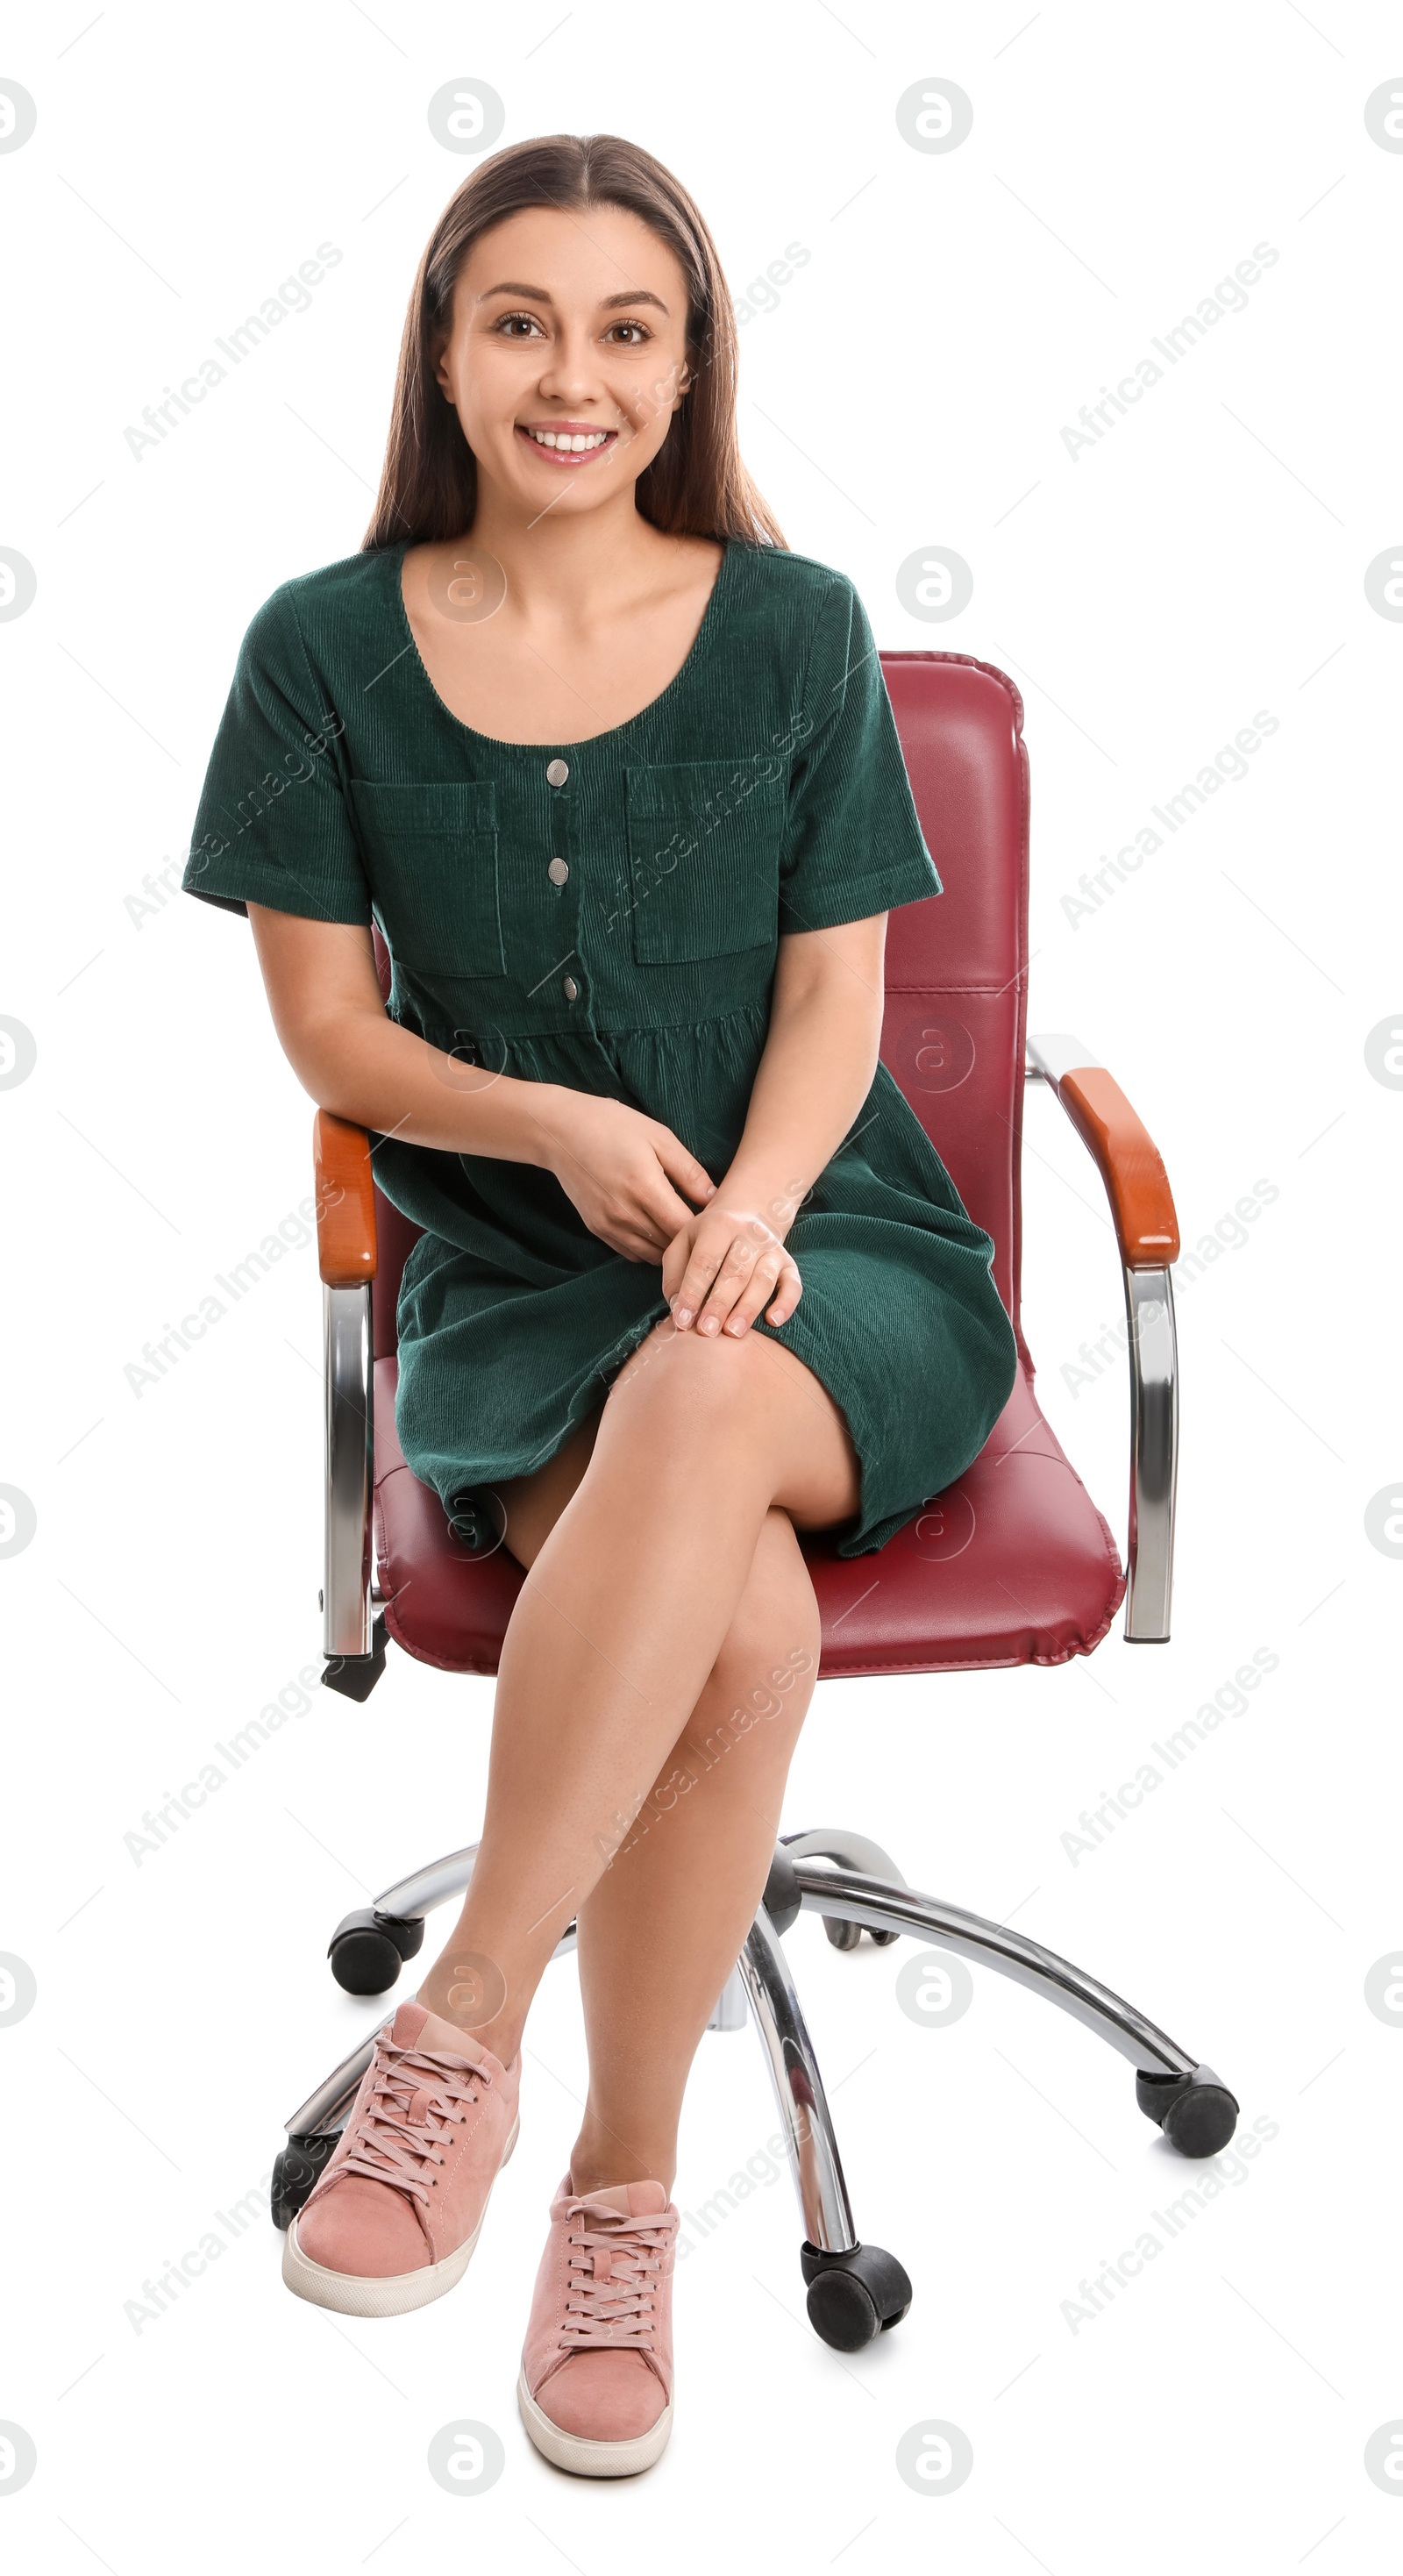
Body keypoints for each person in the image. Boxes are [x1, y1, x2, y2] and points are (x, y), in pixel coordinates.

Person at [184, 131, 1017, 2480]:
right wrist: (547, 1128)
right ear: (449, 351)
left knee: (718, 1373)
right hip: (529, 1278)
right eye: (523, 319)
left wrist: (758, 1205)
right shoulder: (320, 651)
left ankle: (461, 2028)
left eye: (628, 328)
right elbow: (334, 1042)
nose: (577, 374)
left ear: (688, 362)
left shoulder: (797, 624)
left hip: (834, 1253)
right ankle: (617, 2196)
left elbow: (842, 1004)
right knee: (729, 1607)